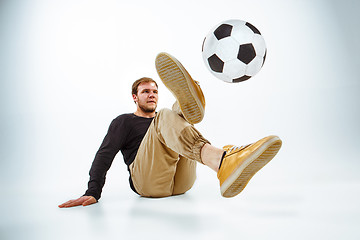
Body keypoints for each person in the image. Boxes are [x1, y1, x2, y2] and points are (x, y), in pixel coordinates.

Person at [58, 52, 282, 208]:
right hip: (147, 182)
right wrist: (93, 191)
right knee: (167, 114)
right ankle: (221, 158)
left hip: (181, 183)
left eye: (155, 91)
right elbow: (104, 154)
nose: (152, 94)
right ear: (135, 97)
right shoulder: (124, 121)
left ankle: (187, 106)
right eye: (145, 91)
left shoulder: (168, 123)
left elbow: (169, 122)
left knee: (176, 117)